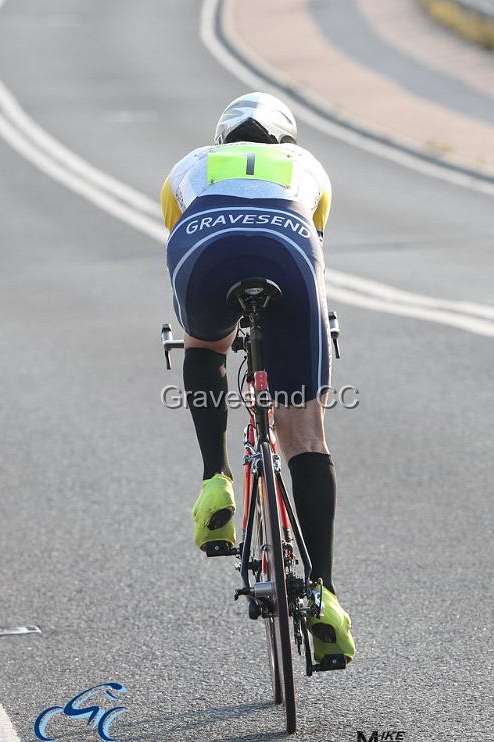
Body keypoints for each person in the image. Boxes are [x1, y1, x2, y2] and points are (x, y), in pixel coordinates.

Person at [161, 92, 355, 664]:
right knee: (307, 436)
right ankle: (322, 593)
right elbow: (317, 242)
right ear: (284, 140)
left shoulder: (190, 165)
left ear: (223, 138)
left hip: (205, 250)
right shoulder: (309, 166)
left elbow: (174, 229)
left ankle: (214, 480)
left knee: (204, 342)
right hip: (288, 253)